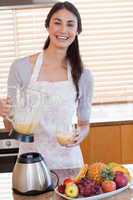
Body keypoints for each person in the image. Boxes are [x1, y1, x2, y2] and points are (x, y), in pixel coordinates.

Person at [0, 1, 93, 169]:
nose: (63, 30)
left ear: (77, 31)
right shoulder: (21, 68)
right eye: (57, 22)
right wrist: (4, 113)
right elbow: (11, 129)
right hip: (30, 165)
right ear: (48, 26)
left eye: (70, 24)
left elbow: (84, 124)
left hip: (69, 164)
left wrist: (79, 136)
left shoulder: (83, 75)